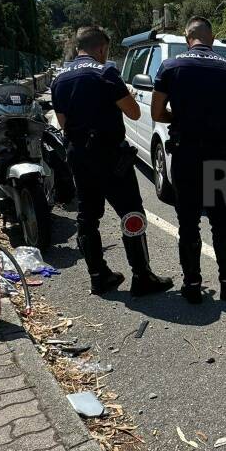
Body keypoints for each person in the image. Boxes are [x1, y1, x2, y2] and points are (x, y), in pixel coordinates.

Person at [52, 26, 172, 297]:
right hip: (110, 157)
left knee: (87, 216)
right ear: (102, 48)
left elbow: (63, 123)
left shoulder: (59, 80)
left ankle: (98, 276)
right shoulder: (106, 73)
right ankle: (142, 276)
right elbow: (132, 111)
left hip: (79, 157)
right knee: (131, 213)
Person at [151, 17, 226, 303]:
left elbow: (157, 113)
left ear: (187, 38)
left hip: (185, 154)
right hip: (218, 154)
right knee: (220, 220)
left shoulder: (170, 67)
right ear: (212, 38)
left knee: (188, 222)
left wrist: (179, 119)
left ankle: (192, 285)